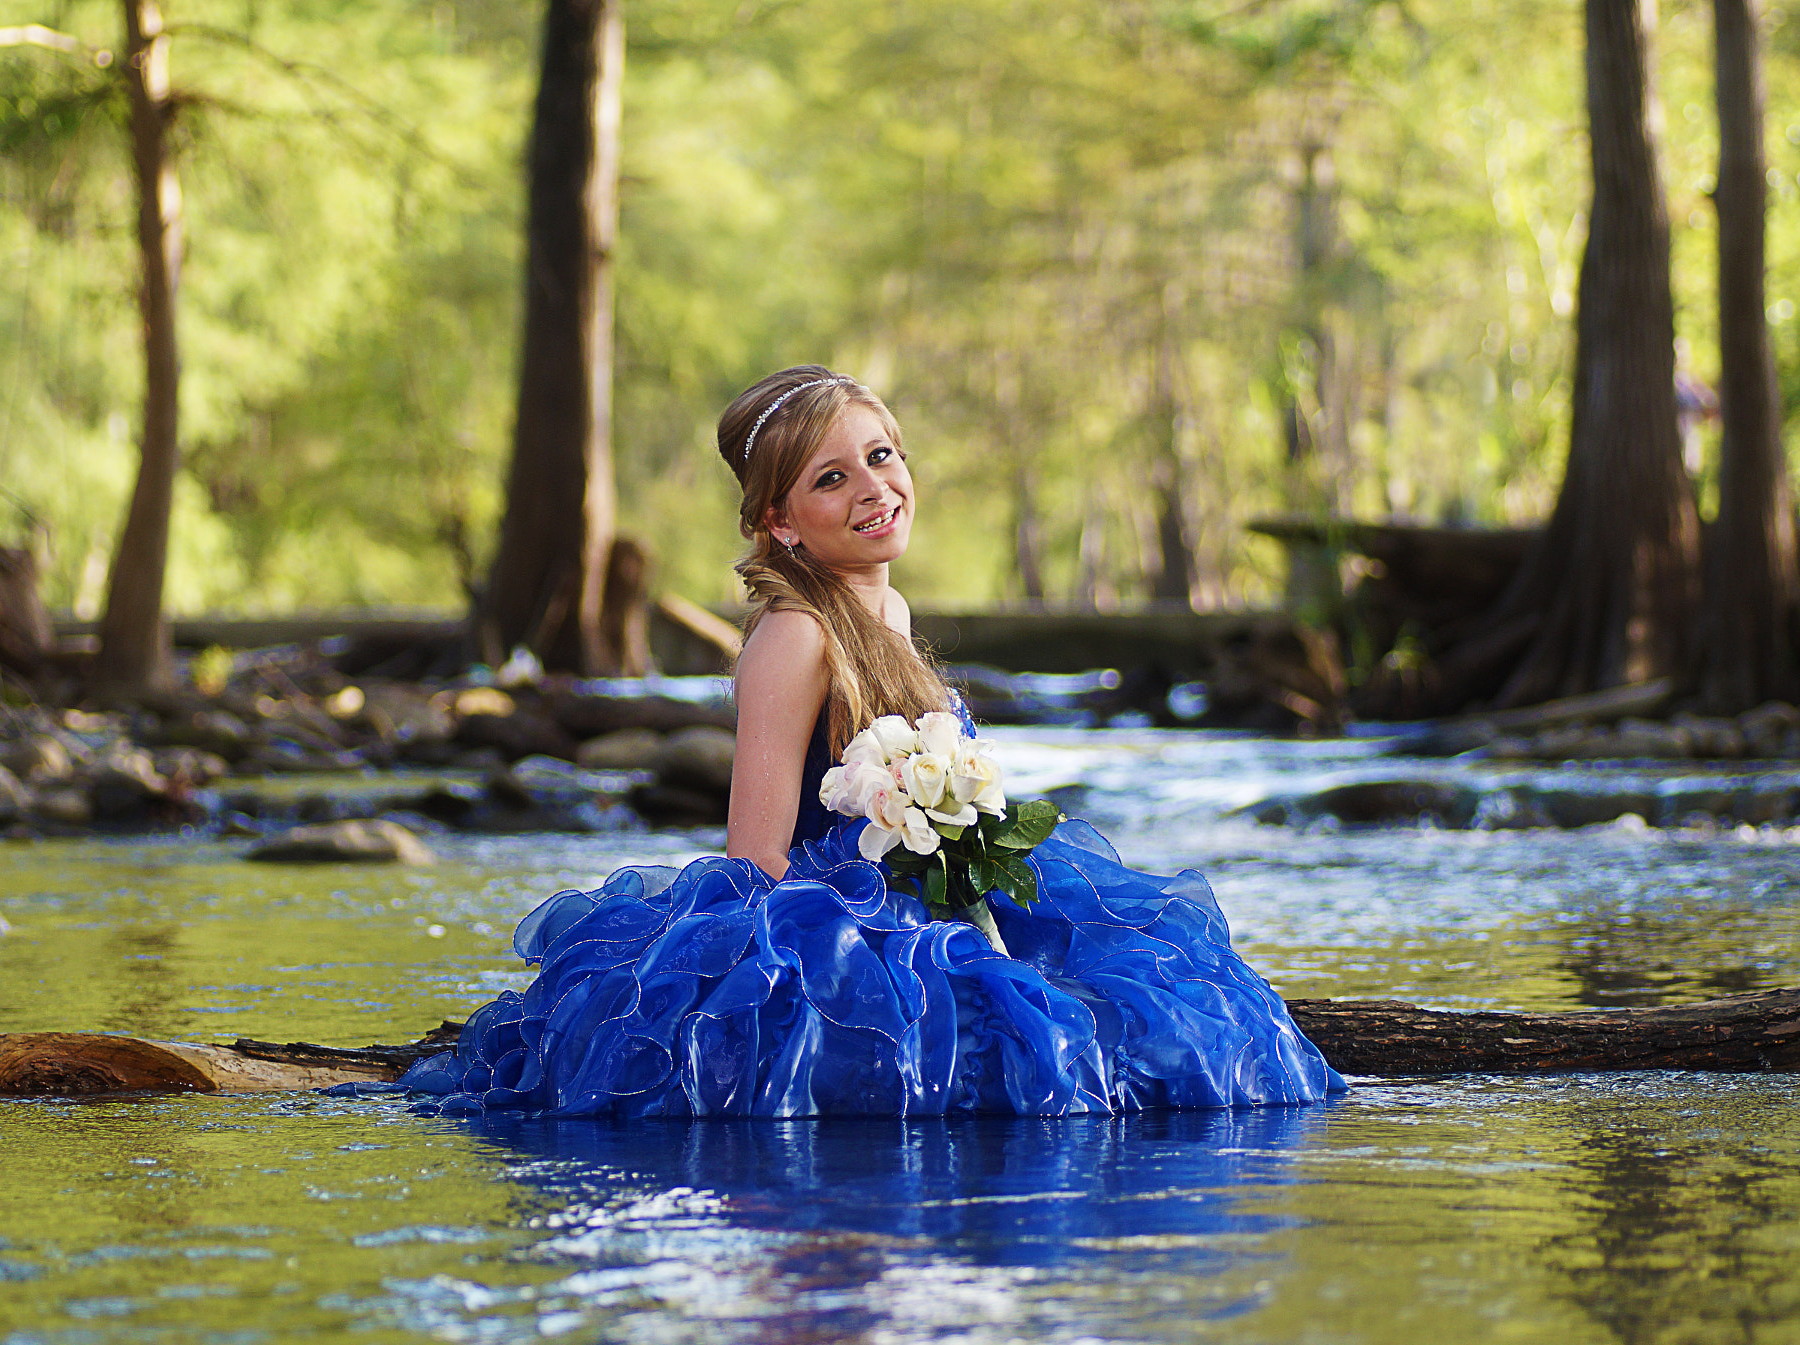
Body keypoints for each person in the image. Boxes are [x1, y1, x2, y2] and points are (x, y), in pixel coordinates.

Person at [404, 365, 1345, 1117]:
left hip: (930, 892)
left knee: (1157, 994)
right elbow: (755, 853)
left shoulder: (887, 608)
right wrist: (844, 959)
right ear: (780, 523)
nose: (874, 487)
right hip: (837, 912)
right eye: (831, 478)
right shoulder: (794, 636)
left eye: (882, 454)